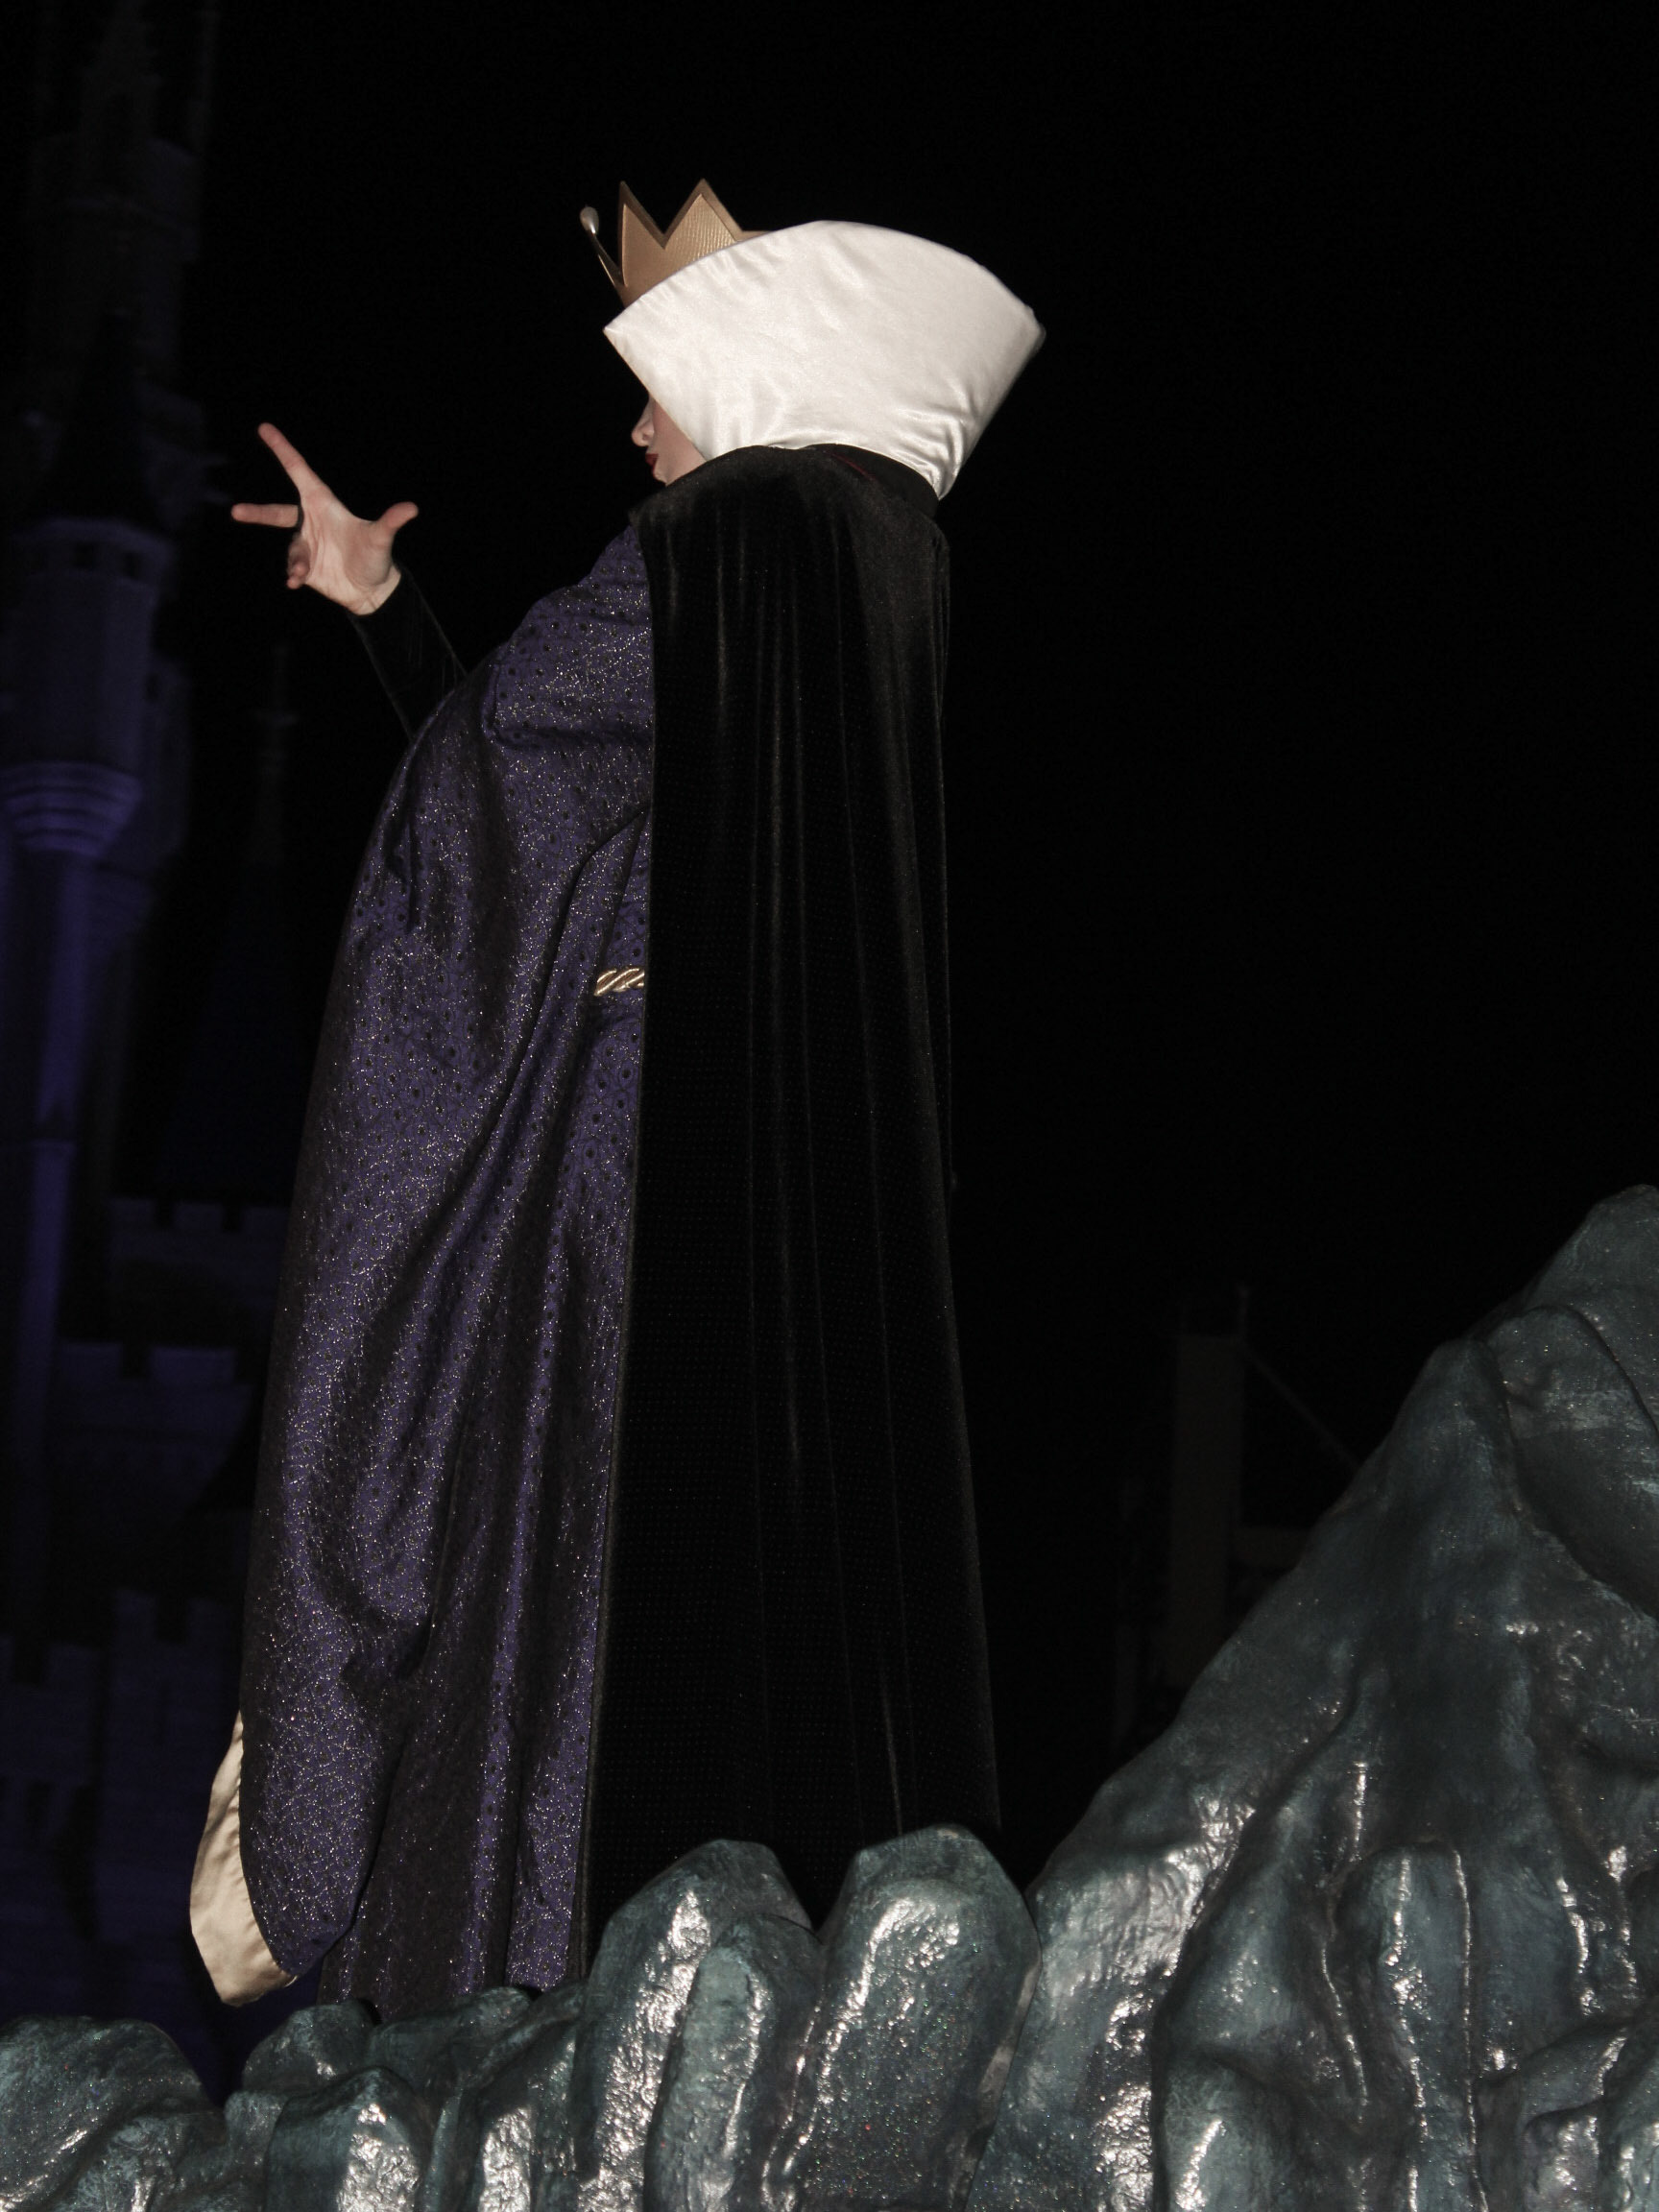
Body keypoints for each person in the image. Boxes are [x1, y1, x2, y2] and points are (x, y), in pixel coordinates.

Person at [191, 182, 1043, 2019]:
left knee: (547, 1592)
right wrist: (391, 614)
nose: (641, 433)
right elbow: (577, 817)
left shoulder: (725, 538)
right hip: (780, 1211)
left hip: (624, 1205)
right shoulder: (873, 552)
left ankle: (499, 1977)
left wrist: (406, 659)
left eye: (660, 385)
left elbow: (495, 796)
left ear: (747, 376)